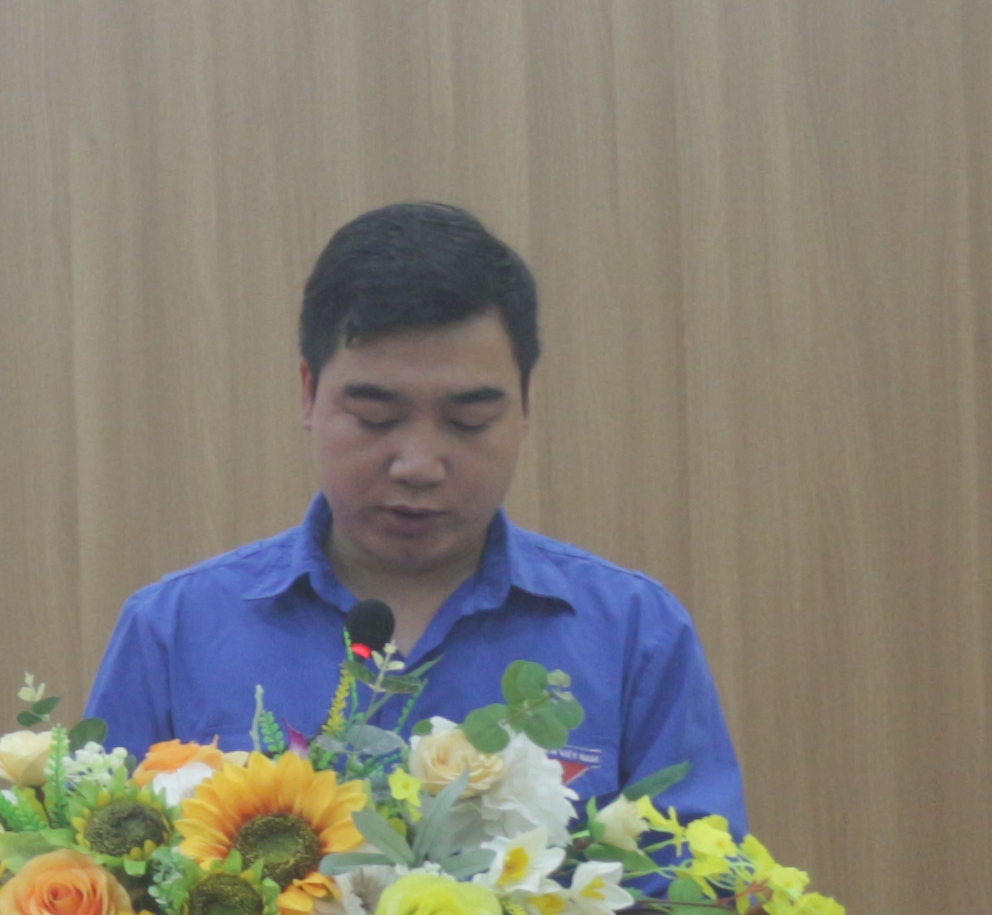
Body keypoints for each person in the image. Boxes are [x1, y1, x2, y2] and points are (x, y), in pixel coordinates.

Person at [84, 200, 744, 824]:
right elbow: (99, 872)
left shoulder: (633, 635)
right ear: (309, 394)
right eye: (376, 417)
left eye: (468, 421)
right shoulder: (173, 632)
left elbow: (701, 887)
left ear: (524, 405)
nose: (419, 465)